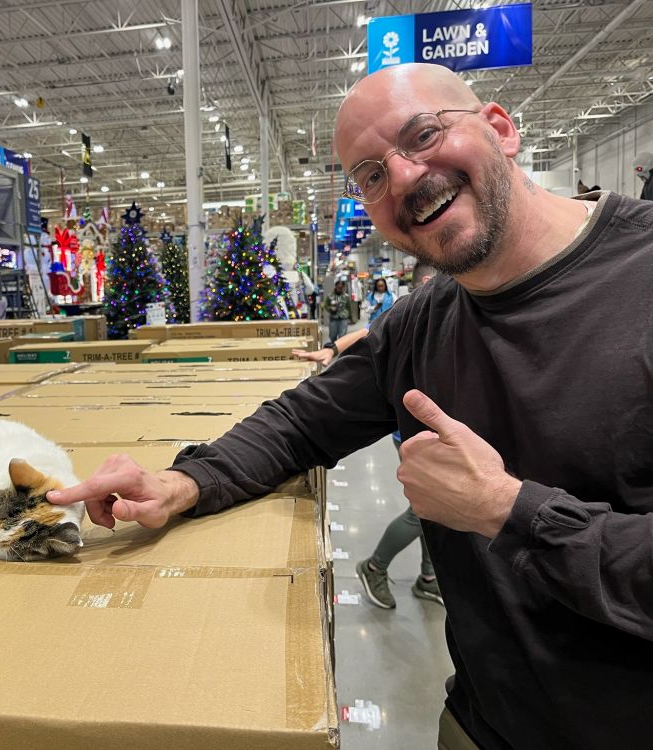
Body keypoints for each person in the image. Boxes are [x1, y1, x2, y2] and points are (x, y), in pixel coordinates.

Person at [49, 62, 653, 749]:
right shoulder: (420, 323)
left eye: (422, 134)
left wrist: (506, 510)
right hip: (482, 724)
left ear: (500, 129)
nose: (400, 177)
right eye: (368, 174)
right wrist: (179, 482)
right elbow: (299, 423)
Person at [298, 262, 443, 608]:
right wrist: (332, 349)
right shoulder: (420, 311)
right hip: (416, 434)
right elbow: (370, 332)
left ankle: (428, 576)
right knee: (424, 512)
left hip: (439, 431)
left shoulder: (451, 309)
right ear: (426, 280)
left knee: (436, 514)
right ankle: (375, 566)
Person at [323, 279, 352, 343]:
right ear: (335, 286)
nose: (340, 289)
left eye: (341, 288)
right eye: (338, 287)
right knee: (332, 335)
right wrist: (330, 309)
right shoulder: (330, 296)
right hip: (333, 318)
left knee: (342, 335)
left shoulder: (346, 297)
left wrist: (350, 318)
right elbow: (325, 305)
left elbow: (349, 307)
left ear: (343, 288)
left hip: (343, 318)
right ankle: (334, 346)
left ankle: (340, 349)